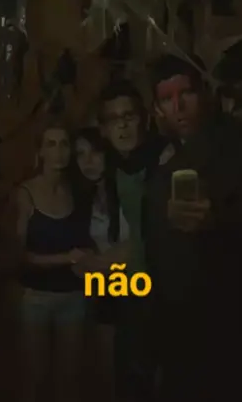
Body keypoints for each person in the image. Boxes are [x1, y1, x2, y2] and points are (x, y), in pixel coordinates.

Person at [145, 54, 242, 402]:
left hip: (236, 328)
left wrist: (216, 220)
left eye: (186, 94)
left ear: (204, 92)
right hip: (180, 332)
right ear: (158, 108)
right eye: (167, 99)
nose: (179, 107)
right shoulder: (161, 161)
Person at [95, 80, 167, 402]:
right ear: (104, 129)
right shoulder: (112, 168)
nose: (122, 126)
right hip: (132, 287)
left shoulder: (164, 159)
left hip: (168, 286)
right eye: (114, 119)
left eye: (129, 116)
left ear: (144, 119)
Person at [14, 124, 93, 402]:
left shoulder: (78, 190)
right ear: (40, 151)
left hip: (73, 296)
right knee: (35, 378)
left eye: (64, 144)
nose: (58, 151)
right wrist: (65, 258)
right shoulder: (25, 193)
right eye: (51, 144)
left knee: (69, 379)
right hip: (37, 298)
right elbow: (19, 255)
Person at [71, 127, 130, 401]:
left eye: (94, 152)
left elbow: (140, 241)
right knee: (104, 367)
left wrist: (99, 261)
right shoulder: (83, 197)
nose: (88, 161)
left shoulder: (127, 185)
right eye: (80, 154)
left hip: (138, 281)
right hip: (105, 286)